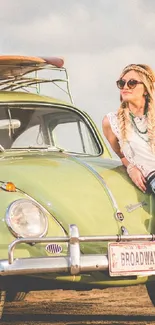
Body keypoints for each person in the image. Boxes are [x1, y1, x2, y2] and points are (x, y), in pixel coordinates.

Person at [102, 63, 155, 193]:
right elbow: (122, 155)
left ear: (146, 89)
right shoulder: (111, 122)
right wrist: (131, 168)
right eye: (122, 83)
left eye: (132, 83)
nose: (125, 87)